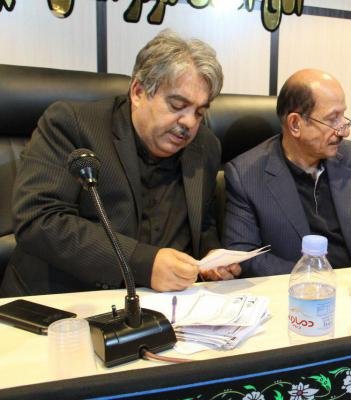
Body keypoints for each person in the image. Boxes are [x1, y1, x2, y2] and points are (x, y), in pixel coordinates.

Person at [0, 29, 241, 296]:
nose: (189, 122)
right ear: (138, 92)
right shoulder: (72, 125)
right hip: (67, 301)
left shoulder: (205, 146)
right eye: (177, 105)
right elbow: (39, 219)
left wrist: (210, 259)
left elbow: (202, 224)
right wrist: (143, 263)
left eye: (199, 112)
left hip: (169, 304)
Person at [223, 69, 351, 277]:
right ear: (295, 124)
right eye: (333, 119)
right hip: (296, 288)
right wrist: (314, 276)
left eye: (343, 116)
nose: (345, 131)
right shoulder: (246, 175)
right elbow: (243, 253)